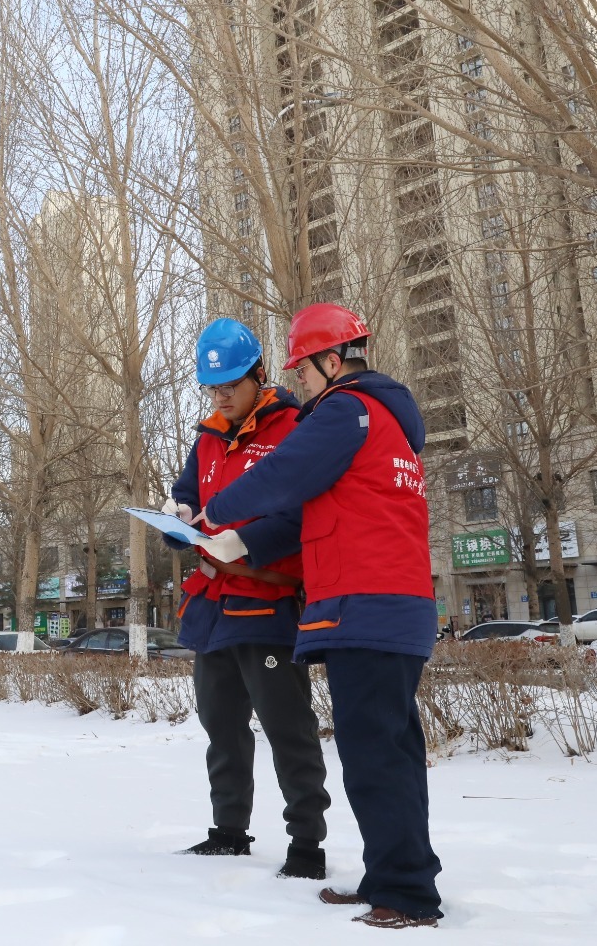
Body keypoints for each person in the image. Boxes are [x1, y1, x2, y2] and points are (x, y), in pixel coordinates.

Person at [197, 303, 444, 929]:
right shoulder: (375, 418)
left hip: (370, 603)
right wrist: (243, 542)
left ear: (332, 361)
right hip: (385, 604)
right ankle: (393, 875)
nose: (297, 383)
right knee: (385, 749)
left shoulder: (347, 408)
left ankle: (409, 894)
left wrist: (217, 510)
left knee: (375, 754)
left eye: (301, 370)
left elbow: (284, 471)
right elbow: (308, 510)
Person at [161, 318, 331, 880]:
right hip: (211, 606)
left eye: (232, 384)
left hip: (267, 603)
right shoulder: (208, 436)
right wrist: (179, 517)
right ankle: (228, 830)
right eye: (214, 387)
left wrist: (246, 540)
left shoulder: (294, 427)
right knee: (220, 723)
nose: (223, 396)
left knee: (288, 727)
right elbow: (190, 494)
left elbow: (303, 513)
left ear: (259, 375)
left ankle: (306, 842)